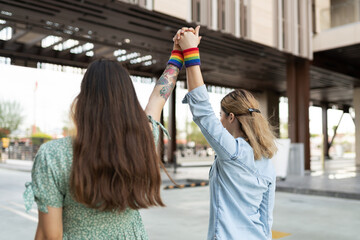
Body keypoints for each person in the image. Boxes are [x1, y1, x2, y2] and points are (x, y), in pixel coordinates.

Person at [23, 31, 187, 239]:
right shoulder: (143, 140)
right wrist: (178, 54)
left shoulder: (54, 155)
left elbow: (50, 236)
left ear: (84, 101)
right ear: (128, 100)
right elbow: (158, 97)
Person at [176, 26, 277, 240]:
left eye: (221, 115)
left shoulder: (232, 152)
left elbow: (203, 112)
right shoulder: (267, 160)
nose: (219, 120)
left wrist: (190, 53)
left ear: (232, 117)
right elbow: (266, 218)